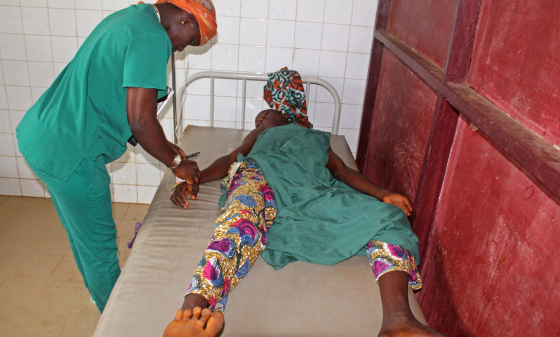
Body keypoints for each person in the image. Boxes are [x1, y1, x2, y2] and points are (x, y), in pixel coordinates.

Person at [15, 0, 217, 313]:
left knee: (83, 240)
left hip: (42, 135)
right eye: (191, 41)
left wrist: (167, 149)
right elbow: (140, 121)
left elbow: (119, 98)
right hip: (73, 155)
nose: (181, 50)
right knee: (100, 250)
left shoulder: (132, 18)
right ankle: (117, 320)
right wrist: (177, 162)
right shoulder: (153, 39)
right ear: (186, 19)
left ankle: (99, 298)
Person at [163, 109, 444, 337]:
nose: (261, 120)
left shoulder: (314, 137)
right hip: (261, 180)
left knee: (388, 217)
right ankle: (194, 311)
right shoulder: (262, 135)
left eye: (266, 116)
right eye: (259, 120)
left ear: (290, 118)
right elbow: (228, 160)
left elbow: (342, 170)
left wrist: (382, 194)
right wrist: (194, 180)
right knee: (238, 221)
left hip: (311, 194)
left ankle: (399, 321)